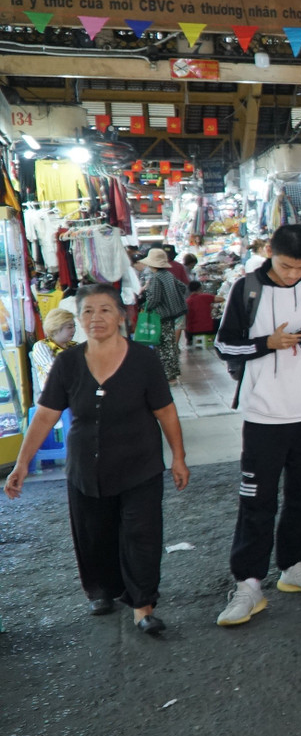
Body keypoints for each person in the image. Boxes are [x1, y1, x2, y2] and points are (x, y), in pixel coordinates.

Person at [4, 284, 189, 636]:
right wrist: (22, 462)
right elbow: (45, 415)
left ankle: (142, 605)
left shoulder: (143, 359)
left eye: (105, 310)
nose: (95, 318)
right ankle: (103, 590)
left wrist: (178, 457)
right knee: (94, 534)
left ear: (121, 316)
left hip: (140, 464)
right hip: (86, 467)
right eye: (87, 311)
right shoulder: (68, 362)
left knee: (142, 535)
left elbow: (165, 411)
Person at [214, 224, 301, 627]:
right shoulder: (246, 289)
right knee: (258, 501)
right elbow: (224, 345)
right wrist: (265, 344)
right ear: (270, 252)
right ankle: (248, 585)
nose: (293, 274)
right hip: (264, 415)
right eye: (287, 266)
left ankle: (295, 566)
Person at [139, 248, 188, 384]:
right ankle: (173, 373)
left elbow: (154, 299)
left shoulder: (156, 278)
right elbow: (183, 287)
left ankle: (168, 376)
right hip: (174, 314)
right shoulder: (168, 275)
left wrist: (145, 307)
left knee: (164, 346)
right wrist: (173, 298)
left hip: (162, 316)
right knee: (171, 344)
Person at [30, 307, 77, 397]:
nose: (74, 330)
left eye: (74, 326)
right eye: (70, 327)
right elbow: (56, 370)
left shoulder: (75, 346)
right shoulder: (41, 346)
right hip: (54, 398)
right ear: (56, 327)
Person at [183, 281, 217, 346]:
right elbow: (221, 299)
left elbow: (185, 320)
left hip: (192, 332)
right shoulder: (206, 297)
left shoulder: (187, 301)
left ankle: (190, 340)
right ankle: (216, 340)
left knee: (186, 325)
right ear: (200, 288)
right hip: (208, 330)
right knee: (218, 322)